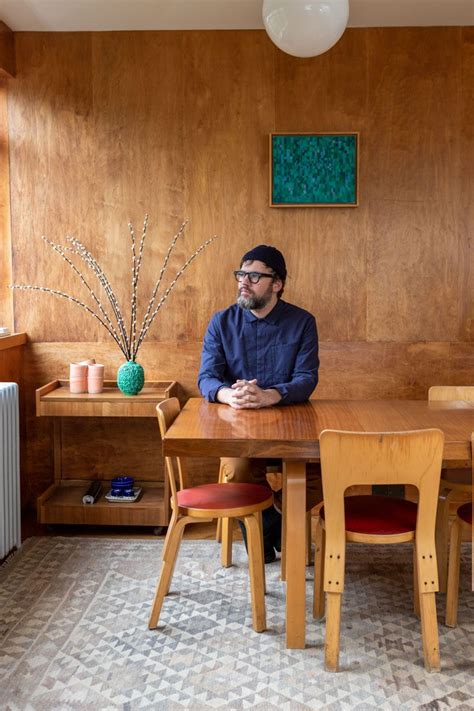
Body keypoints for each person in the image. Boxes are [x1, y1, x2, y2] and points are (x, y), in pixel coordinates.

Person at [198, 244, 321, 562]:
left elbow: (307, 378)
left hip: (292, 427)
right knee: (238, 470)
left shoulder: (303, 322)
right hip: (239, 428)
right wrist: (230, 395)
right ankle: (275, 529)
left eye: (254, 276)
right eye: (241, 274)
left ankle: (273, 524)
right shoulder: (221, 322)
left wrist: (270, 395)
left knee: (325, 471)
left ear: (276, 283)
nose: (243, 282)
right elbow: (207, 379)